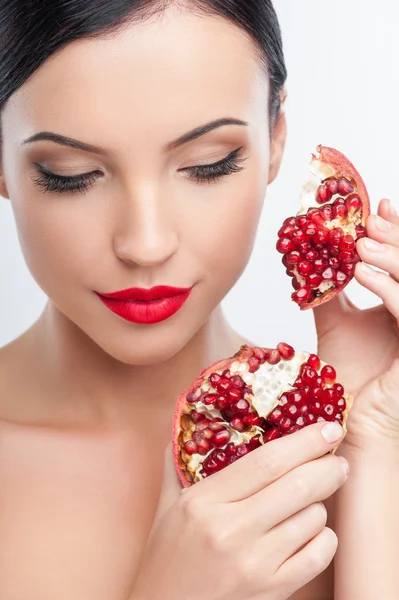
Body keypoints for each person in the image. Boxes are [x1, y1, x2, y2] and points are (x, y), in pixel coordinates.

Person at [0, 1, 397, 599]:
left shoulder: (363, 438)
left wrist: (376, 454)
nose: (145, 243)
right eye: (71, 173)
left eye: (208, 165)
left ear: (275, 137)